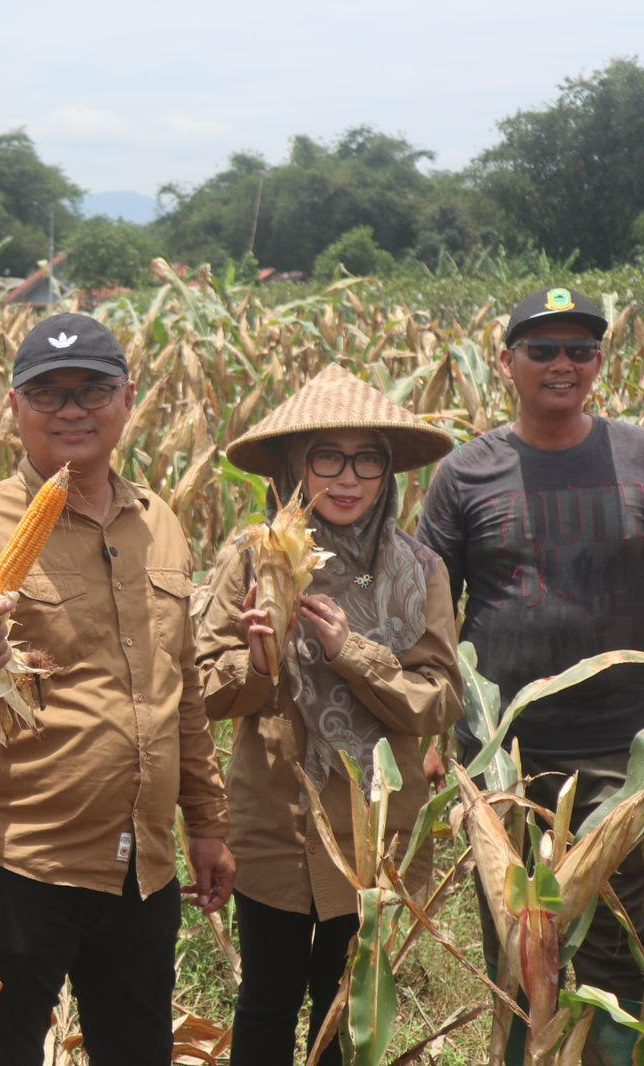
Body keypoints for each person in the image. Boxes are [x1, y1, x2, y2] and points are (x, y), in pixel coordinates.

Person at [0, 312, 234, 1065]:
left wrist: (206, 822)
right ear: (15, 408)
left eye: (92, 391)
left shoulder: (160, 525)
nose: (71, 410)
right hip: (14, 866)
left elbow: (182, 693)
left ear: (128, 399)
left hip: (141, 870)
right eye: (48, 394)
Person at [194, 364, 463, 1065]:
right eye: (327, 458)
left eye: (367, 459)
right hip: (276, 822)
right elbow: (204, 692)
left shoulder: (419, 570)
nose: (348, 478)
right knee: (267, 1000)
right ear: (293, 466)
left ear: (387, 471)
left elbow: (440, 697)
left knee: (347, 1011)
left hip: (374, 828)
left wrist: (353, 653)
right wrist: (259, 663)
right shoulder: (251, 561)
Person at [416, 287, 644, 1057]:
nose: (562, 364)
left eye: (581, 349)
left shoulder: (637, 455)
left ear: (600, 362)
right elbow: (433, 616)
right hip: (504, 753)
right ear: (506, 361)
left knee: (622, 943)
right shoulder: (465, 474)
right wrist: (435, 734)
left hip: (624, 752)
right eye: (542, 349)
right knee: (518, 951)